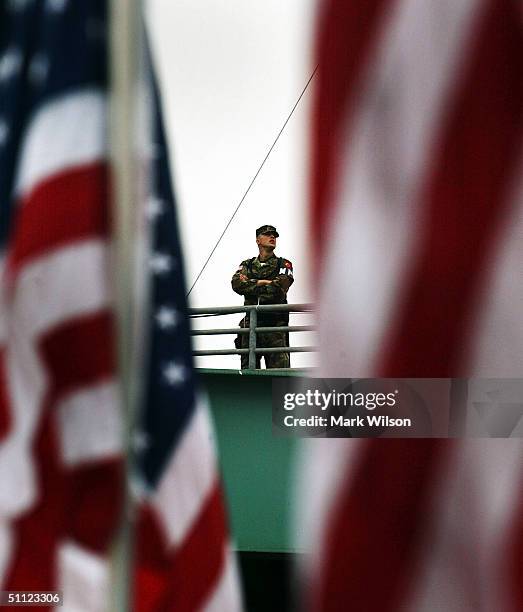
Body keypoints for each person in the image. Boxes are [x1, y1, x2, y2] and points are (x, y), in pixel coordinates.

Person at [231, 225, 294, 369]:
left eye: (274, 235)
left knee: (279, 376)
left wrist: (250, 285)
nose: (273, 237)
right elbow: (236, 284)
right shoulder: (247, 265)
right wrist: (261, 282)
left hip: (275, 326)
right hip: (251, 326)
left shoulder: (283, 264)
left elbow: (279, 289)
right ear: (258, 240)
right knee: (248, 374)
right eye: (268, 235)